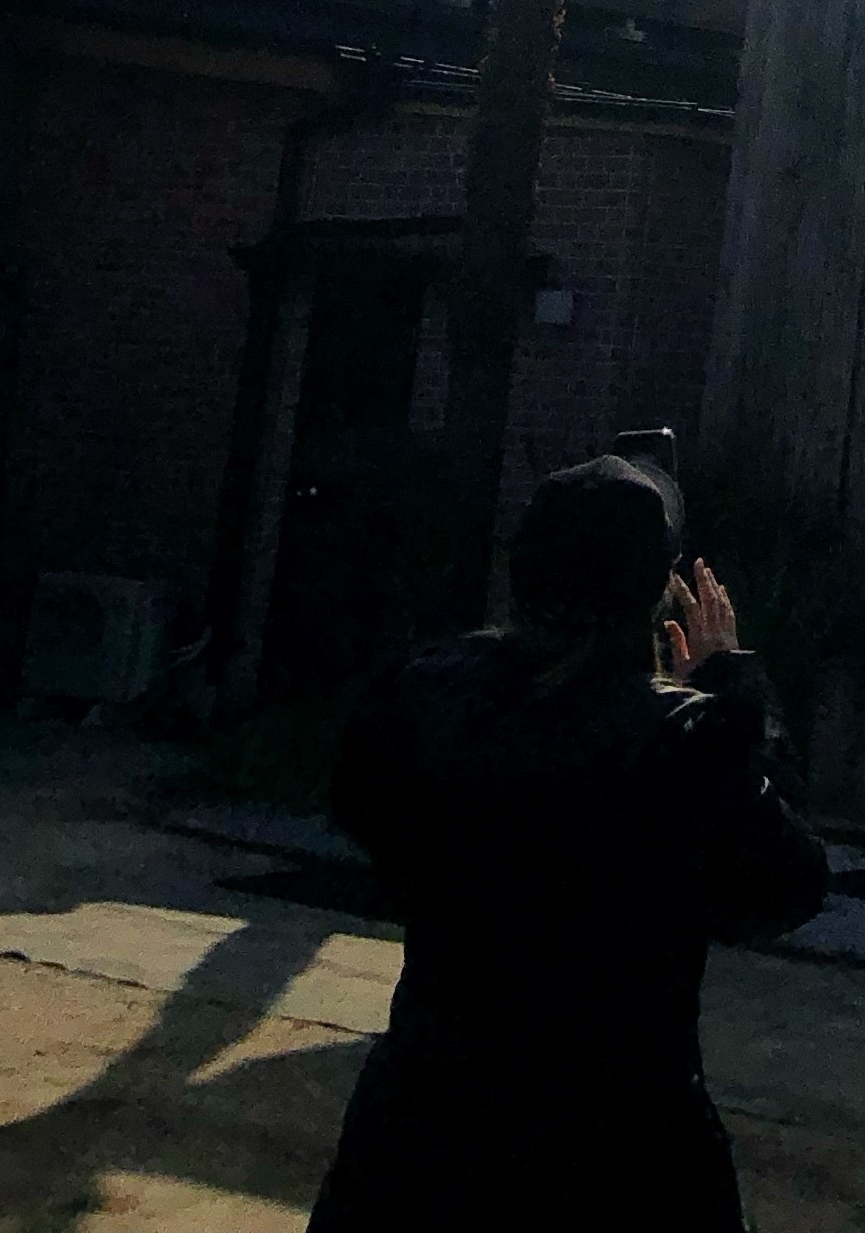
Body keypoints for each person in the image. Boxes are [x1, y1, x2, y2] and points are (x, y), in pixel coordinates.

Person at [308, 451, 828, 1233]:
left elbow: (364, 813)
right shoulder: (679, 743)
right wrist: (736, 691)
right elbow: (786, 885)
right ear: (654, 594)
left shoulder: (420, 698)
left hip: (422, 1129)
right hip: (614, 1150)